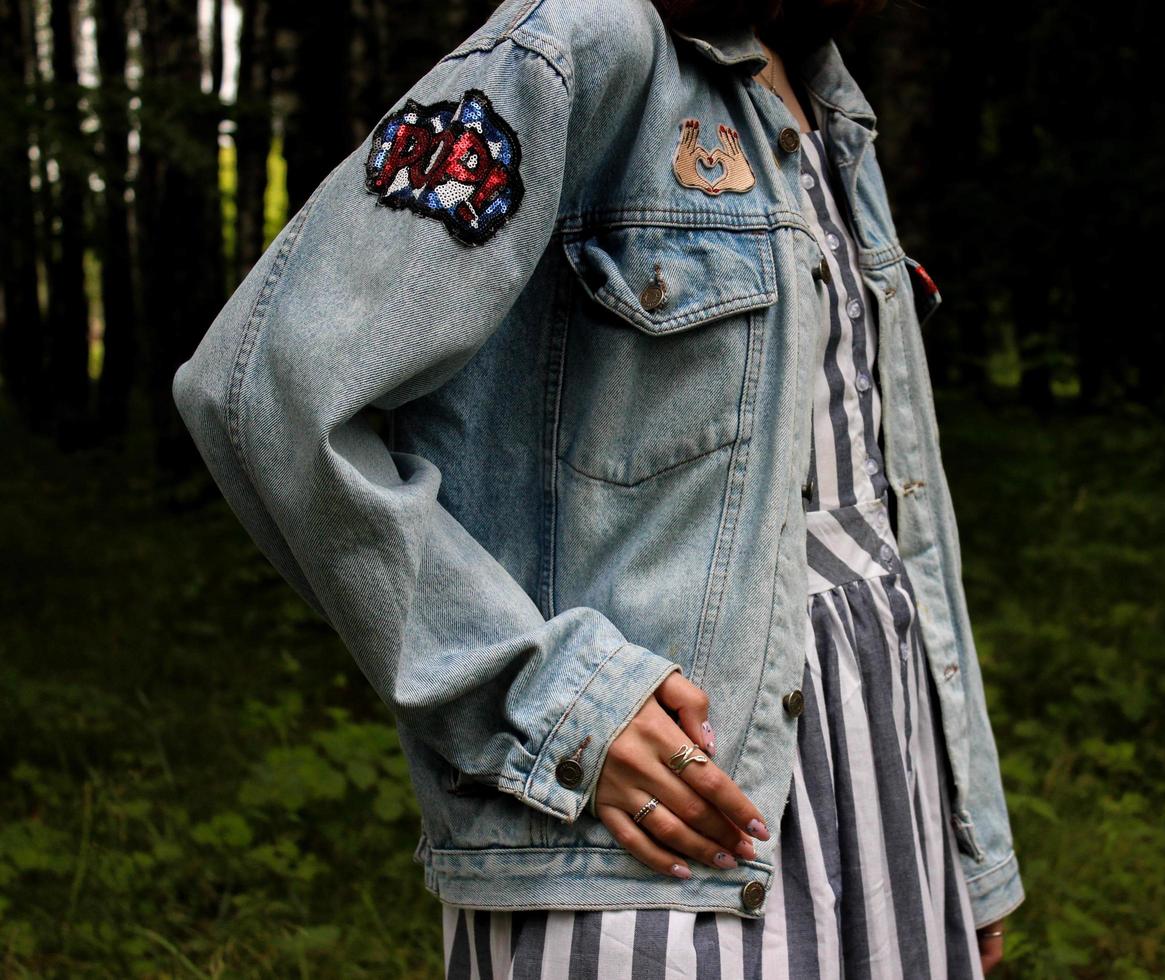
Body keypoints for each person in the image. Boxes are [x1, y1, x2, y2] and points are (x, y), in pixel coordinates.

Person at [173, 0, 1024, 975]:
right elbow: (270, 392)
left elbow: (888, 503)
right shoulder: (574, 47)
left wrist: (970, 846)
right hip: (648, 840)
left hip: (884, 777)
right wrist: (550, 696)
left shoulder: (828, 100)